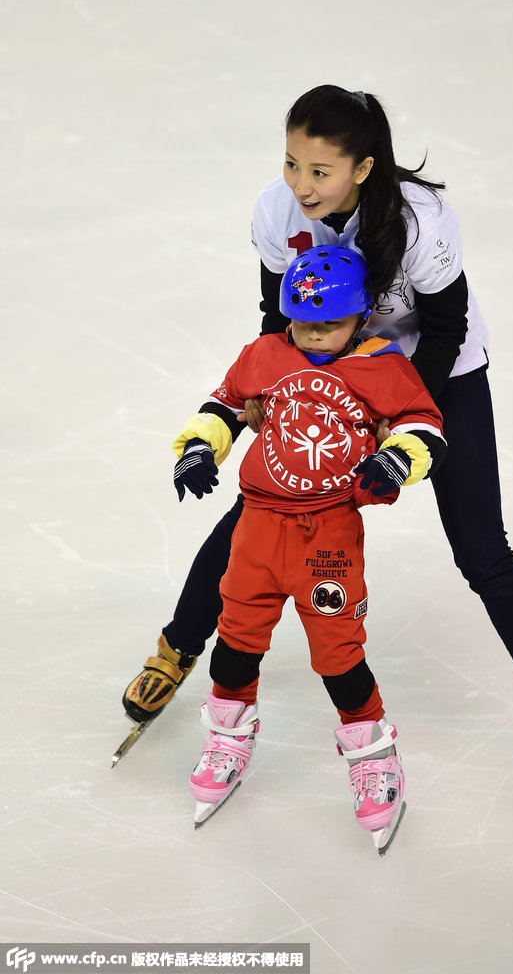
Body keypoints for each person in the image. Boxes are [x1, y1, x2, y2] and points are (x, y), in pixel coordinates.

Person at [123, 84, 513, 795]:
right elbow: (273, 317)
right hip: (320, 375)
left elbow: (444, 329)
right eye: (290, 164)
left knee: (482, 550)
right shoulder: (279, 211)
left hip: (434, 378)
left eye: (320, 171)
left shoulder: (421, 219)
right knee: (257, 513)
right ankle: (179, 646)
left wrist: (390, 413)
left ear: (363, 169)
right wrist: (265, 395)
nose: (300, 185)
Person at [172, 244, 445, 850]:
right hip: (259, 527)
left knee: (337, 651)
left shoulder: (382, 366)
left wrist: (397, 460)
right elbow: (220, 403)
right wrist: (199, 445)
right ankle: (226, 737)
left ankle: (373, 756)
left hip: (328, 533)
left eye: (331, 324)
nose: (315, 335)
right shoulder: (267, 354)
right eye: (304, 322)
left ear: (362, 317)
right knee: (237, 636)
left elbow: (422, 423)